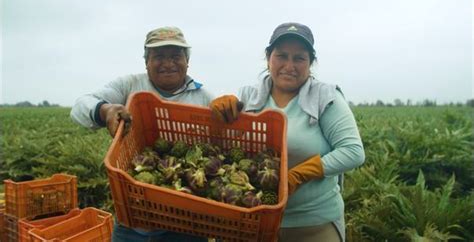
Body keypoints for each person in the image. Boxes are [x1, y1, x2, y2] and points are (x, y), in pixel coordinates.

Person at [210, 22, 365, 242]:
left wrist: (298, 175)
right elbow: (223, 149)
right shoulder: (248, 97)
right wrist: (221, 111)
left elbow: (353, 152)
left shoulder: (325, 98)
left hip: (312, 224)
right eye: (281, 55)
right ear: (268, 58)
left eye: (299, 58)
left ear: (311, 63)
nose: (289, 65)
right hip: (252, 218)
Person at [70, 26, 211, 242]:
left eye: (176, 56)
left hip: (187, 224)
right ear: (146, 61)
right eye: (158, 56)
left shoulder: (203, 97)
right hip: (133, 219)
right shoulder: (130, 85)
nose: (168, 63)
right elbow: (79, 107)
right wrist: (105, 110)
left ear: (187, 61)